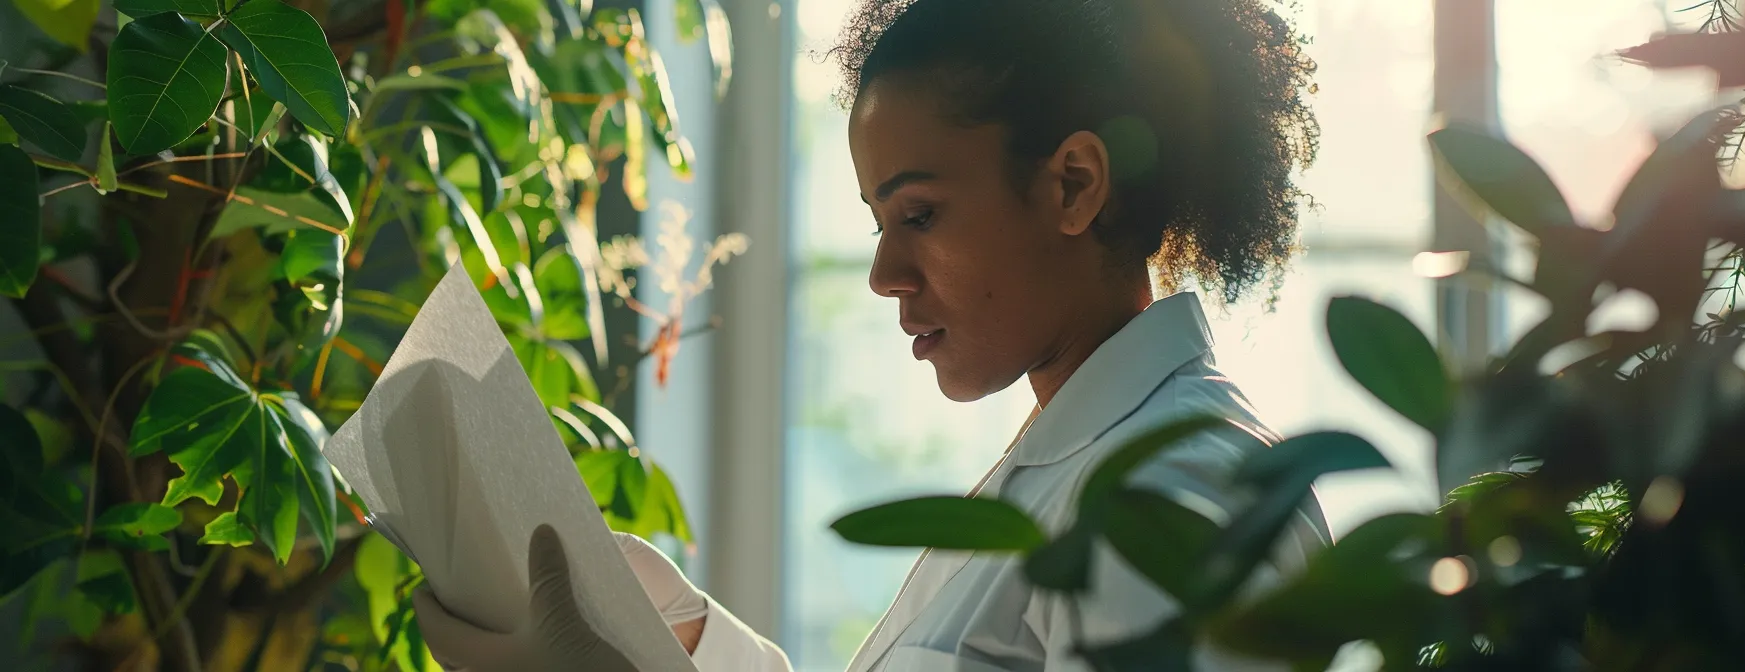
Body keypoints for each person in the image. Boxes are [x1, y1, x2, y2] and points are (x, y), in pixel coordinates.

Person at [413, 0, 1332, 668]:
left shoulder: (1178, 501)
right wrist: (691, 642)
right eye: (877, 222)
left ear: (1073, 185)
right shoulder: (1078, 464)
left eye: (921, 214)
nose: (884, 275)